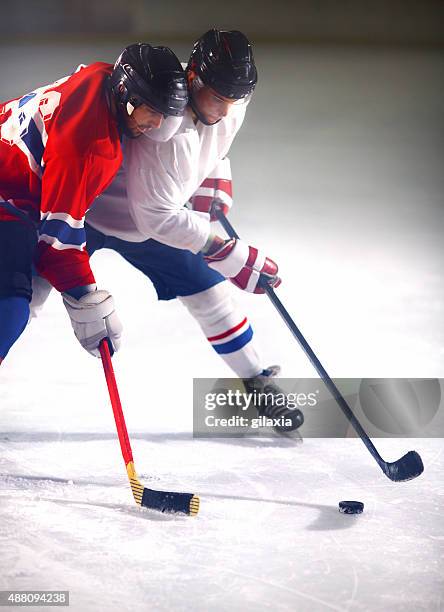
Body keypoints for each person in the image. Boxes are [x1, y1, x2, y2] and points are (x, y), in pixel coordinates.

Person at [32, 30, 304, 433]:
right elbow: (156, 217)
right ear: (192, 77)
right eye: (218, 97)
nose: (226, 110)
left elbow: (216, 138)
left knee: (211, 296)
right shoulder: (167, 128)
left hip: (148, 219)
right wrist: (227, 252)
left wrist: (214, 170)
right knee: (28, 296)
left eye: (235, 99)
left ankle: (257, 379)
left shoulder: (229, 100)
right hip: (87, 213)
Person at [0, 43, 188, 364]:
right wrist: (87, 301)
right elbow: (57, 246)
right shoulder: (91, 146)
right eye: (153, 111)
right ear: (129, 96)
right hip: (7, 198)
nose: (157, 125)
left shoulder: (101, 77)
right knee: (11, 306)